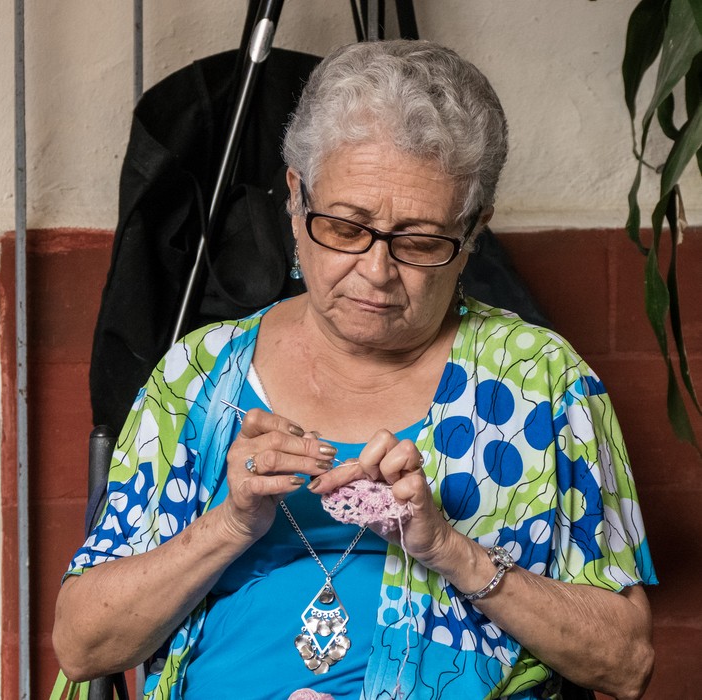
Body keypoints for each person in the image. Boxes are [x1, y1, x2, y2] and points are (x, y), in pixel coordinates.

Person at [52, 40, 656, 700]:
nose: (375, 271)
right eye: (343, 227)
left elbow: (623, 663)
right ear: (293, 196)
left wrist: (446, 548)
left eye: (420, 241)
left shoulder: (544, 384)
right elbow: (83, 647)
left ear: (472, 233)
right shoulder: (198, 377)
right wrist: (229, 524)